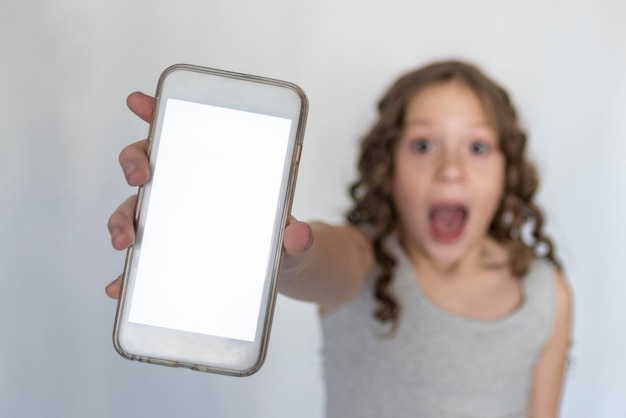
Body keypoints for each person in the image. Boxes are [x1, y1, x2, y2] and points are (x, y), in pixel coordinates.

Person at [106, 60, 572, 418]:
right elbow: (319, 260)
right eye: (424, 145)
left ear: (509, 168)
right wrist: (275, 244)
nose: (451, 168)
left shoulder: (545, 293)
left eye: (477, 147)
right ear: (387, 168)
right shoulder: (365, 258)